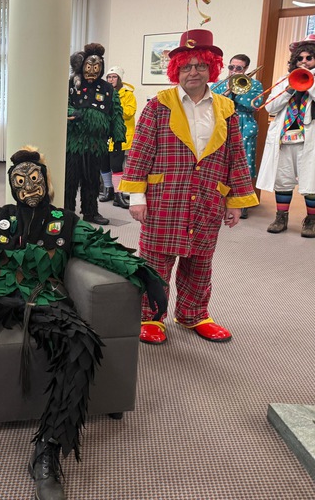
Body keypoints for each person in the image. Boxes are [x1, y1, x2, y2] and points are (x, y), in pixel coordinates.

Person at [0, 147, 166, 500]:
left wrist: (143, 273)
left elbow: (100, 248)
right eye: (20, 182)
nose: (28, 187)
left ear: (46, 181)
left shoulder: (66, 221)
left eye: (34, 179)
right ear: (12, 187)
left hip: (45, 295)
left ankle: (49, 447)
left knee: (81, 342)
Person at [121, 29, 258, 345]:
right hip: (165, 197)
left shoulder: (226, 108)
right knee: (156, 262)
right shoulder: (159, 105)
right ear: (176, 70)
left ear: (212, 67)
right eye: (186, 66)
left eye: (200, 65)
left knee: (200, 262)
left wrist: (236, 201)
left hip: (207, 198)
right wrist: (137, 196)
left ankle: (193, 315)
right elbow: (140, 152)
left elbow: (236, 156)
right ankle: (150, 316)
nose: (193, 72)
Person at [257, 35, 315, 237]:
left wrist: (309, 83)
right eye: (300, 58)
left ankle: (311, 220)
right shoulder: (284, 80)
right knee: (283, 180)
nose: (304, 62)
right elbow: (270, 107)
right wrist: (289, 89)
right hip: (285, 139)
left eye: (309, 58)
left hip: (309, 141)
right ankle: (281, 217)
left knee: (312, 181)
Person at [66, 43, 124, 226]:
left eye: (96, 67)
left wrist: (118, 137)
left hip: (96, 144)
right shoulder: (72, 84)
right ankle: (67, 212)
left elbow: (116, 113)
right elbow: (60, 103)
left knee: (92, 180)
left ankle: (90, 212)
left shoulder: (108, 89)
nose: (92, 71)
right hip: (74, 142)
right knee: (70, 179)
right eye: (88, 67)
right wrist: (73, 112)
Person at [211, 54, 263, 219]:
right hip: (222, 123)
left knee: (244, 163)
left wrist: (238, 90)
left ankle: (242, 203)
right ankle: (220, 200)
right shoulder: (219, 84)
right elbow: (212, 103)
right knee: (220, 162)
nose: (234, 71)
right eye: (231, 67)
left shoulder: (255, 84)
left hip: (244, 123)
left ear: (246, 69)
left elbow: (255, 104)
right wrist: (227, 89)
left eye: (238, 68)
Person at [98, 66, 135, 209]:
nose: (111, 79)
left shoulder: (128, 94)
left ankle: (118, 195)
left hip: (119, 136)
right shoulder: (102, 93)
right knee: (104, 164)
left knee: (116, 166)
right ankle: (108, 191)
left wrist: (114, 106)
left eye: (114, 77)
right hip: (104, 135)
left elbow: (129, 112)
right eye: (109, 77)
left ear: (119, 79)